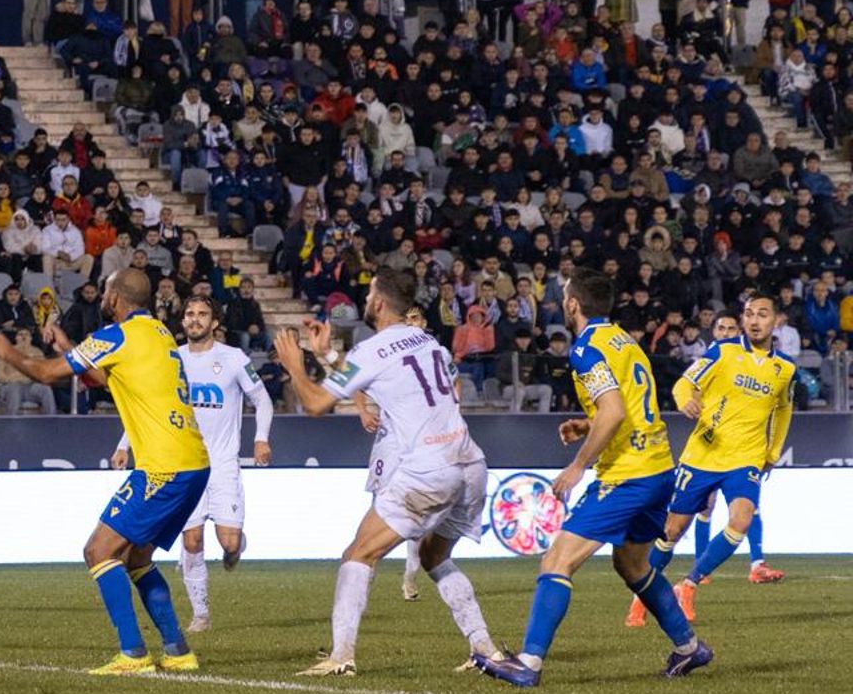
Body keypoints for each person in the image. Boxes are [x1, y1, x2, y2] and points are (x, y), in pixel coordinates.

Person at [475, 268, 710, 686]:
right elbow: (628, 405)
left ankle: (528, 663)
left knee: (557, 560)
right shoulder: (624, 341)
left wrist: (578, 464)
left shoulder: (586, 348)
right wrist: (588, 424)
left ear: (572, 304)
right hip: (659, 468)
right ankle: (690, 648)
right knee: (632, 565)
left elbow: (615, 412)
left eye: (564, 297)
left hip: (628, 475)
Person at [270, 269, 498, 676]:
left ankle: (341, 656)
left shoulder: (372, 349)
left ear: (377, 303)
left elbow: (317, 404)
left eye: (370, 291)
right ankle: (484, 646)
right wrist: (328, 356)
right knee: (433, 555)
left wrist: (296, 366)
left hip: (430, 469)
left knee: (359, 554)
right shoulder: (427, 341)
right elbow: (391, 378)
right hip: (471, 464)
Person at [0, 268, 207, 675]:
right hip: (192, 463)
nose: (103, 296)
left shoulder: (116, 335)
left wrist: (7, 351)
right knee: (137, 557)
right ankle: (177, 651)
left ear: (116, 297)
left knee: (99, 551)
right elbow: (111, 379)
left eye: (106, 290)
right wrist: (68, 345)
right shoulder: (157, 333)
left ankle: (133, 654)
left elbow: (47, 374)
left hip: (163, 465)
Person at [626, 297, 794, 628]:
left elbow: (784, 410)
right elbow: (684, 382)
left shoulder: (785, 368)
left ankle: (688, 585)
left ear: (777, 321)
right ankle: (640, 596)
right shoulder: (723, 351)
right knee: (673, 530)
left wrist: (772, 453)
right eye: (748, 314)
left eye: (762, 314)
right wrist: (685, 400)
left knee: (741, 520)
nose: (754, 320)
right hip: (703, 454)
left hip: (745, 457)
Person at [110, 297, 272, 632]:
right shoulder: (172, 359)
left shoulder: (234, 358)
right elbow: (149, 407)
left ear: (214, 322)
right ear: (182, 321)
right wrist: (123, 445)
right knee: (192, 540)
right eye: (189, 314)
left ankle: (235, 550)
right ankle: (201, 614)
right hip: (184, 462)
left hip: (224, 462)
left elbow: (262, 399)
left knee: (228, 541)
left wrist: (261, 438)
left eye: (202, 315)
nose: (195, 320)